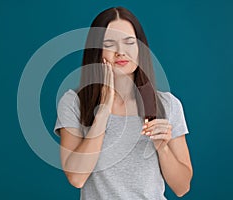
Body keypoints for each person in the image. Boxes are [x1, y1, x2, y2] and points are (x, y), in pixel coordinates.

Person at [54, 6, 193, 200]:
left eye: (129, 42)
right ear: (96, 50)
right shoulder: (74, 102)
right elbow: (76, 178)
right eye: (110, 43)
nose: (121, 52)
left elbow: (182, 187)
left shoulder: (167, 104)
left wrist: (162, 147)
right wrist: (102, 114)